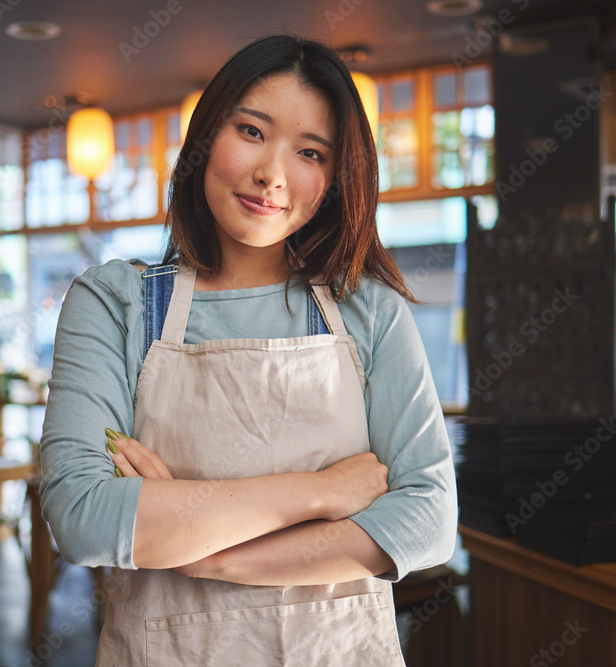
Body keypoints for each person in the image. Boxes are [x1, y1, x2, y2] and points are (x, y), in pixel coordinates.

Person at [40, 34, 457, 666]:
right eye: (252, 132)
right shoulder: (114, 303)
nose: (273, 175)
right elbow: (84, 516)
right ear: (207, 137)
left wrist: (207, 552)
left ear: (336, 179)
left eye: (310, 151)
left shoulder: (367, 309)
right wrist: (321, 493)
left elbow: (428, 522)